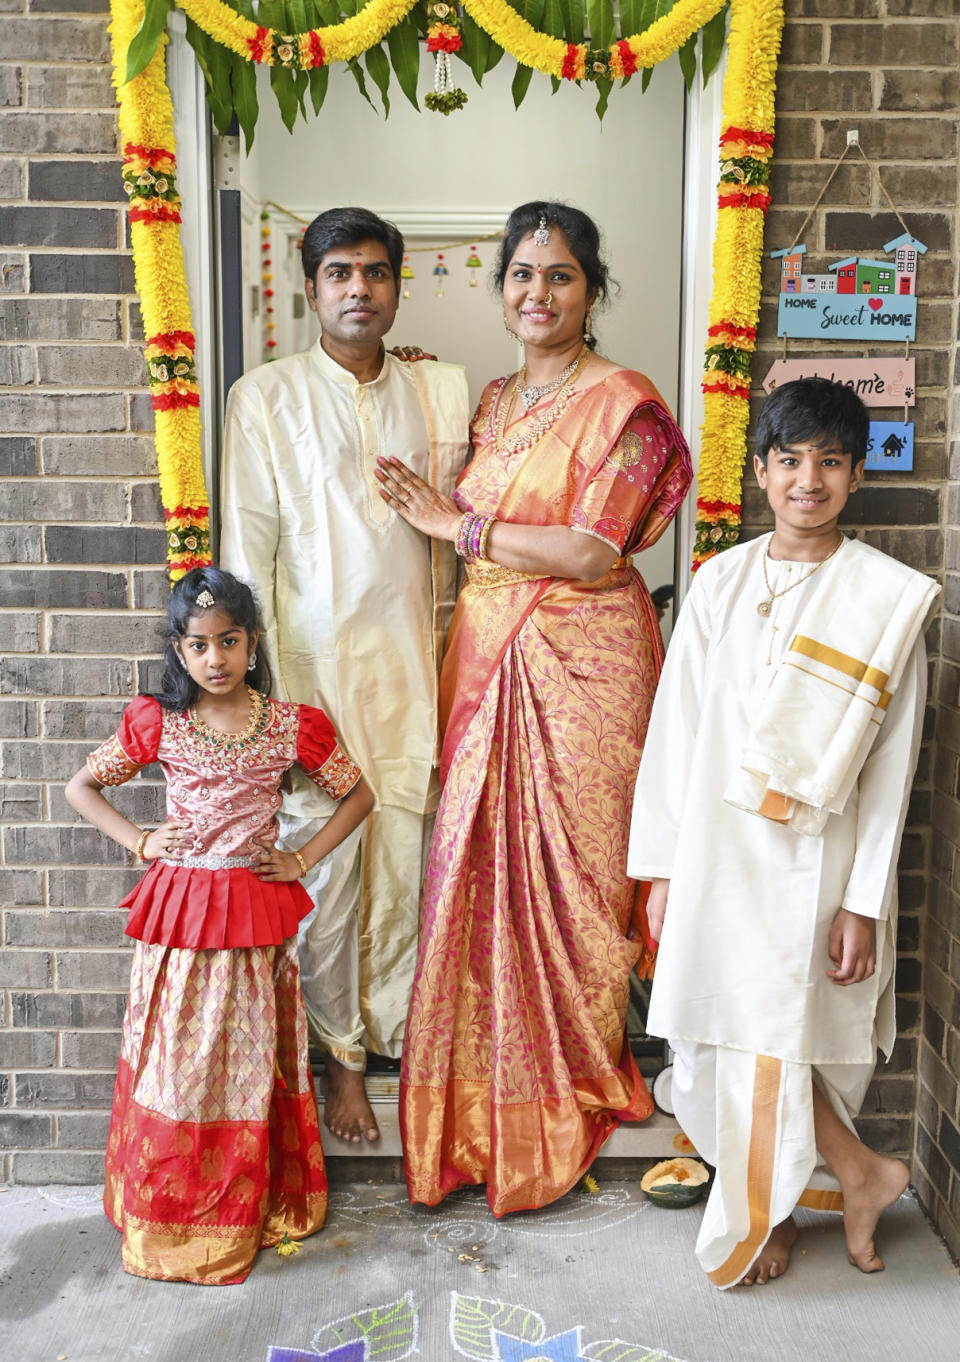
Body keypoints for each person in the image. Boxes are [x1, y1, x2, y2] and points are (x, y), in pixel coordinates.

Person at [376, 200, 693, 1215]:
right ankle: (475, 1103)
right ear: (500, 287)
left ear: (591, 291)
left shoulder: (626, 406)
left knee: (578, 888)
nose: (537, 293)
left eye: (558, 276)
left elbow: (596, 553)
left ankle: (566, 1084)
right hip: (485, 659)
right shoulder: (493, 402)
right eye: (520, 275)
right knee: (475, 872)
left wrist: (454, 526)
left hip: (585, 670)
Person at [628, 378, 939, 1288]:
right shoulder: (721, 579)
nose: (810, 479)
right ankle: (856, 1172)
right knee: (719, 1033)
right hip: (716, 854)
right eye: (792, 459)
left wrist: (861, 900)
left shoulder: (883, 601)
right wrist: (661, 870)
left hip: (816, 861)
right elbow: (676, 730)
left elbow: (892, 773)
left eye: (831, 462)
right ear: (761, 470)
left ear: (855, 476)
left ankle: (766, 1219)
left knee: (781, 1031)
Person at [219, 207, 469, 1144]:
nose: (358, 289)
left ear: (398, 284)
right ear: (311, 286)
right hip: (312, 685)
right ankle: (342, 1065)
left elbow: (460, 544)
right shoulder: (266, 398)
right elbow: (248, 557)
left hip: (416, 675)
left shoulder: (443, 391)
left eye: (375, 272)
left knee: (407, 869)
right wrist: (264, 709)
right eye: (338, 274)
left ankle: (403, 1046)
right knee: (327, 886)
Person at [64, 567, 374, 1284]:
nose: (216, 659)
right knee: (179, 1069)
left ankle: (241, 1209)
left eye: (229, 641)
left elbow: (359, 797)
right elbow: (81, 788)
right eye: (199, 645)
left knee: (245, 1071)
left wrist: (301, 858)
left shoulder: (290, 725)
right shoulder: (160, 723)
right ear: (179, 651)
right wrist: (142, 842)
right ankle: (170, 1212)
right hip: (180, 927)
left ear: (253, 642)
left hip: (253, 919)